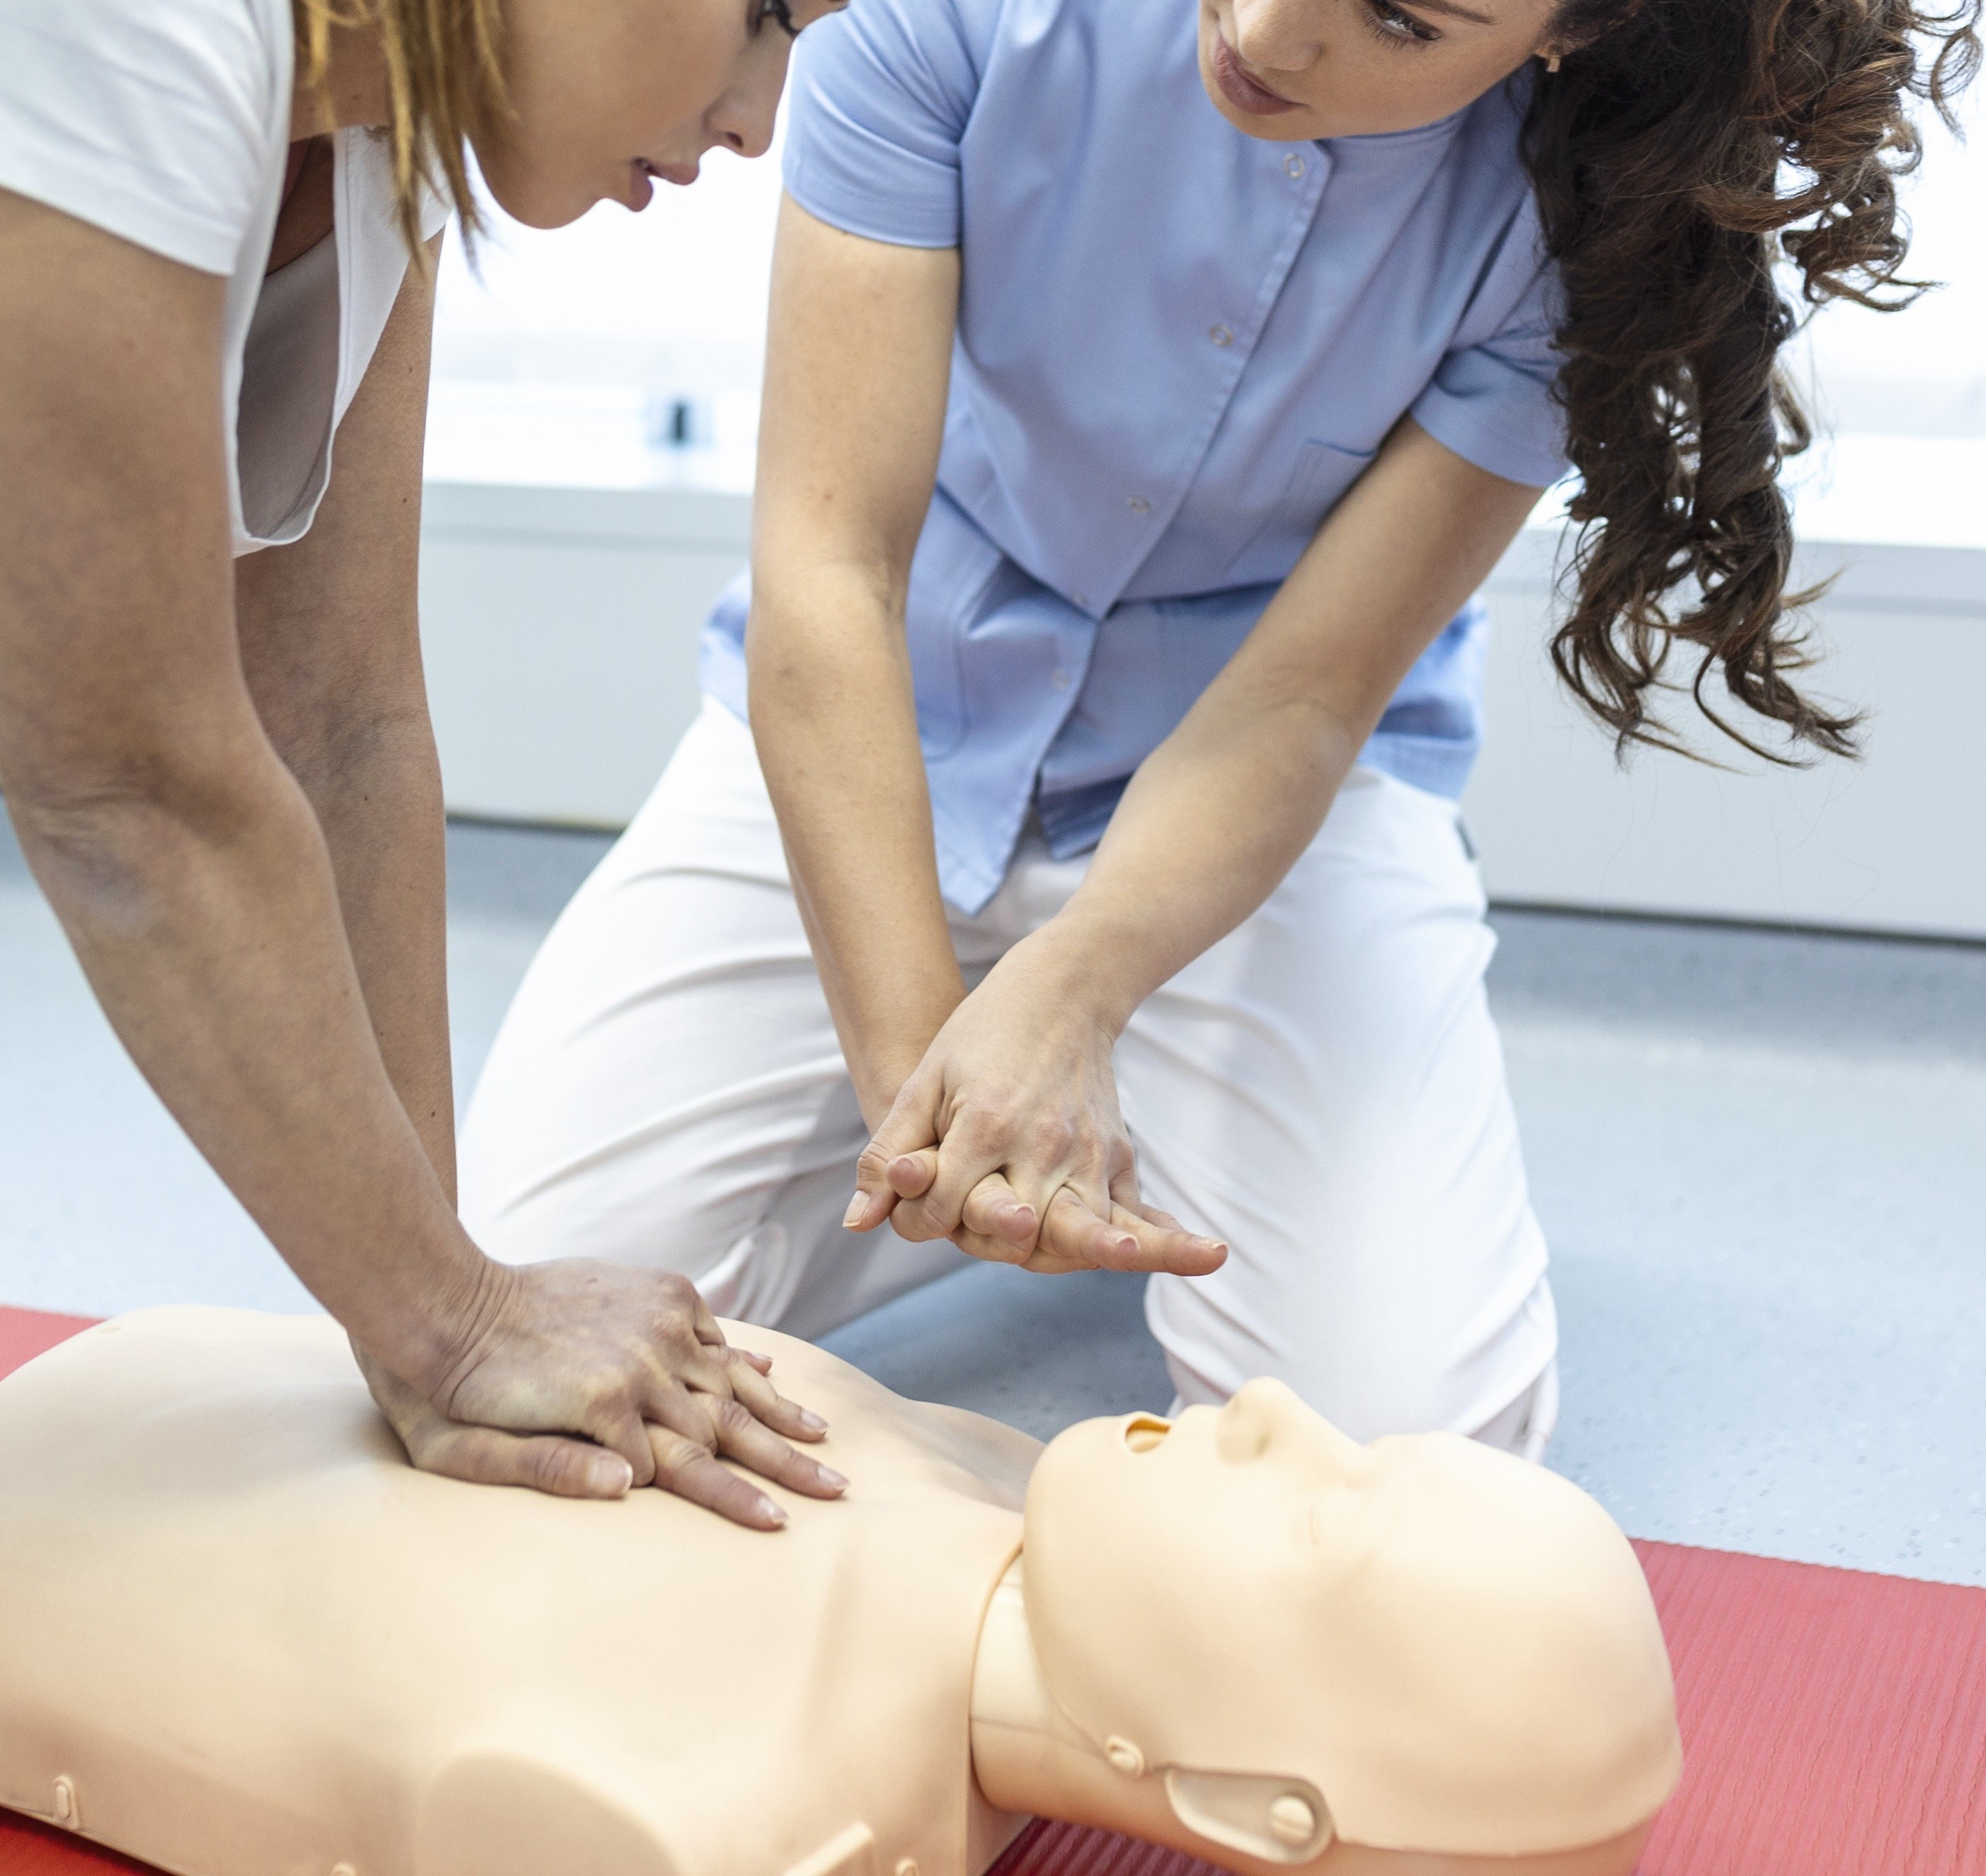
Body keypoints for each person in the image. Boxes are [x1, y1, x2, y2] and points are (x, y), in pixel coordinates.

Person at [456, 0, 1980, 1449]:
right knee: (518, 1303)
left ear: (1577, 35)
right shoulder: (943, 19)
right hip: (881, 711)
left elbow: (1303, 700)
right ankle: (1036, 1166)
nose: (1264, 34)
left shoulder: (1582, 234)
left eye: (1399, 21)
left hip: (1261, 794)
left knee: (1408, 1445)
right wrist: (930, 1090)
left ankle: (1104, 1128)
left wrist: (1069, 993)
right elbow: (830, 572)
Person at [0, 0, 859, 1600]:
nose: (759, 119)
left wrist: (431, 1334)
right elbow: (125, 788)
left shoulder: (373, 126)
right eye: (763, 16)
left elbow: (341, 722)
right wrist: (453, 1316)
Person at [0, 1305, 1682, 1876]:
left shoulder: (724, 1805)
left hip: (16, 1525)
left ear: (1249, 1809)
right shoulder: (968, 1472)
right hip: (99, 1441)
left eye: (1325, 1517)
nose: (1278, 1409)